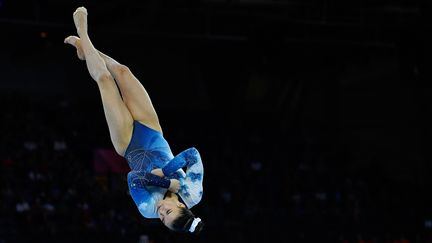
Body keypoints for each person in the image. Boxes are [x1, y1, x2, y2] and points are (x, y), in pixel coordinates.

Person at [64, 7, 204, 234]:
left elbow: (133, 177)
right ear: (181, 205)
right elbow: (192, 153)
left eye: (162, 219)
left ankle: (83, 31)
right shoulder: (193, 191)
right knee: (122, 72)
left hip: (128, 143)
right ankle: (87, 52)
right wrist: (167, 171)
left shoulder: (147, 208)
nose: (160, 212)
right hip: (152, 130)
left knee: (106, 81)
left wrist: (167, 182)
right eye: (167, 212)